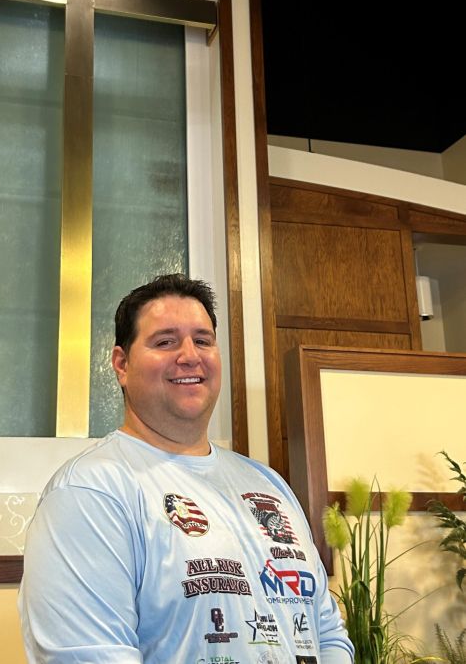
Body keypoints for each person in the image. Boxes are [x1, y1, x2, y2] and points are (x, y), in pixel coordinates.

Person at [18, 274, 354, 664]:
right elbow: (88, 656)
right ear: (122, 364)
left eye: (203, 340)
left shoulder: (269, 485)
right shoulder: (90, 491)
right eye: (165, 341)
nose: (190, 355)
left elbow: (327, 634)